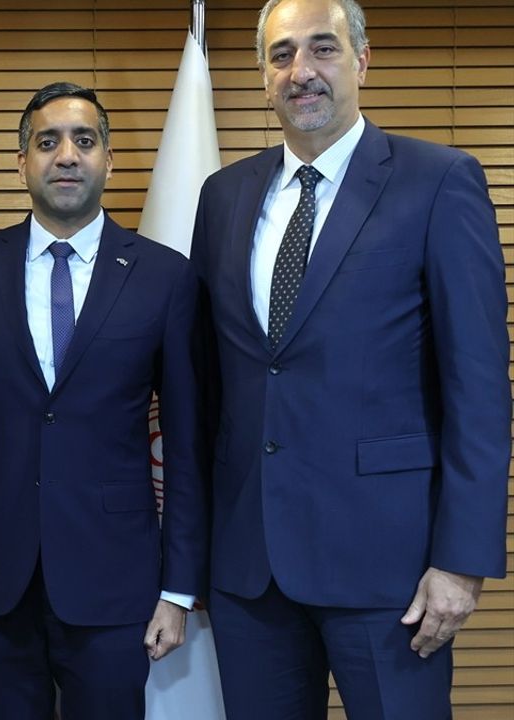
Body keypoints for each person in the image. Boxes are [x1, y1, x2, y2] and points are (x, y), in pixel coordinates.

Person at [191, 1, 510, 717]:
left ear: (362, 61)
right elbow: (211, 385)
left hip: (391, 569)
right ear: (263, 74)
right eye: (281, 55)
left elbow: (479, 387)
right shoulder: (223, 197)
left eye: (323, 48)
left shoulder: (439, 181)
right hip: (249, 568)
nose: (301, 71)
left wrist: (461, 560)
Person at [0, 82, 207, 719]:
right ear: (22, 162)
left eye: (84, 140)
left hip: (115, 581)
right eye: (47, 141)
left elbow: (187, 446)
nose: (66, 155)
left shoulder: (164, 276)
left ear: (109, 160)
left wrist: (178, 588)